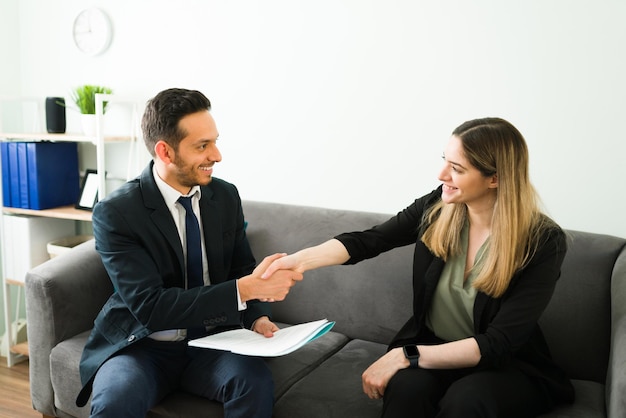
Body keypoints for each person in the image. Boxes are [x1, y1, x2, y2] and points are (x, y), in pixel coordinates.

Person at [262, 117, 574, 417]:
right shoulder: (437, 207)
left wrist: (407, 355)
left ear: (495, 178)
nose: (442, 175)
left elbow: (499, 343)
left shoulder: (543, 241)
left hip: (504, 364)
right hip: (434, 344)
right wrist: (295, 262)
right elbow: (369, 240)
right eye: (445, 160)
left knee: (467, 402)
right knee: (407, 392)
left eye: (457, 168)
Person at [75, 88, 302, 418]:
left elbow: (241, 267)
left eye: (215, 141)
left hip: (214, 342)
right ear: (165, 152)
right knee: (114, 401)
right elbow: (151, 308)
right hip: (143, 347)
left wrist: (256, 316)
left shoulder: (224, 197)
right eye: (202, 146)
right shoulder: (117, 212)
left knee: (254, 383)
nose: (218, 155)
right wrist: (246, 289)